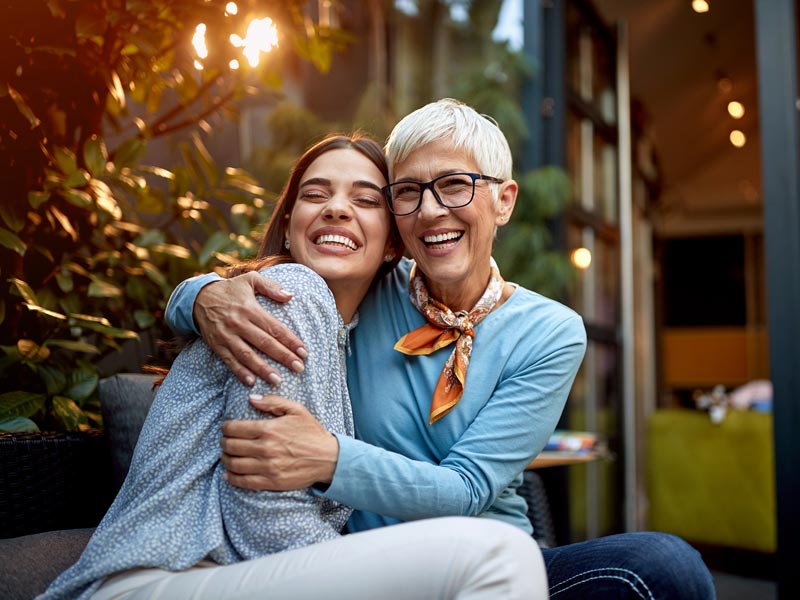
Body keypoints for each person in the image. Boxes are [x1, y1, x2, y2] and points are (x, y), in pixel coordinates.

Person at [167, 99, 716, 598]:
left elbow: (469, 488)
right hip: (366, 567)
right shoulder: (367, 288)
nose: (431, 211)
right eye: (407, 192)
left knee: (663, 567)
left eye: (454, 185)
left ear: (503, 200)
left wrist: (329, 457)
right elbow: (278, 283)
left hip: (495, 562)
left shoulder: (551, 332)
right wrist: (199, 296)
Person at [41, 134, 549, 600]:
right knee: (500, 556)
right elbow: (265, 521)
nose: (336, 209)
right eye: (315, 194)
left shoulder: (345, 330)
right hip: (164, 579)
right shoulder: (292, 294)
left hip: (228, 575)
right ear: (288, 222)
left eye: (367, 200)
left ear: (394, 243)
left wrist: (194, 293)